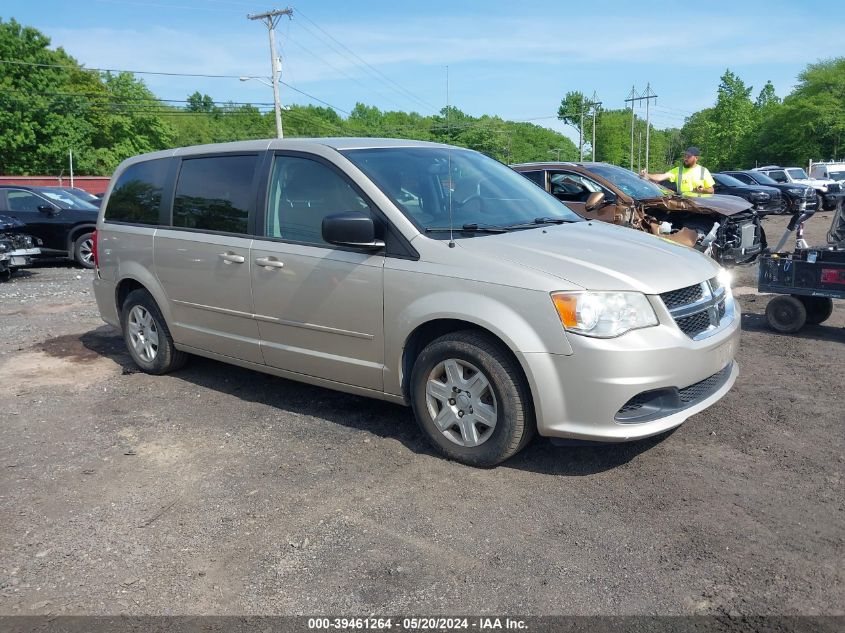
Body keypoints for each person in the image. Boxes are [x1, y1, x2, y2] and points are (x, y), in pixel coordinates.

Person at [640, 146, 715, 194]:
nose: (685, 158)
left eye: (688, 156)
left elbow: (711, 190)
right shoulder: (678, 170)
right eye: (685, 156)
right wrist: (647, 175)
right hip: (682, 207)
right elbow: (661, 176)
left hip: (699, 208)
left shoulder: (703, 171)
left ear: (696, 158)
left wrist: (703, 190)